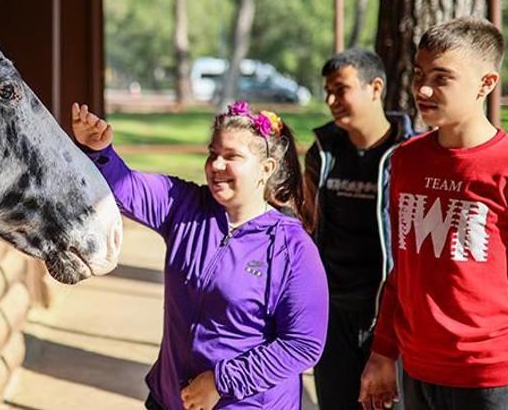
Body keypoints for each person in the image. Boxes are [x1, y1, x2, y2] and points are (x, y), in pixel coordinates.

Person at [72, 100, 328, 409]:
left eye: (231, 156)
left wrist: (221, 382)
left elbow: (302, 344)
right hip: (168, 401)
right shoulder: (185, 205)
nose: (216, 166)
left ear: (266, 169)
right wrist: (99, 151)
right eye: (212, 153)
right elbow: (127, 188)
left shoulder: (292, 247)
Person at [358, 17, 508, 410]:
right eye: (419, 73)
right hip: (417, 372)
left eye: (441, 77)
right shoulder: (406, 161)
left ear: (486, 84)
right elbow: (405, 269)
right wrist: (383, 352)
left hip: (494, 381)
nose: (423, 89)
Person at [304, 49, 414, 410]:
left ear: (375, 88)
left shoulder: (410, 153)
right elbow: (308, 224)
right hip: (331, 314)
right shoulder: (322, 152)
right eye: (327, 91)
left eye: (341, 89)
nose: (331, 101)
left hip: (389, 316)